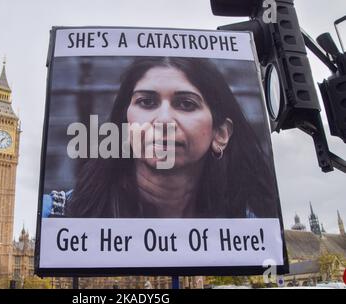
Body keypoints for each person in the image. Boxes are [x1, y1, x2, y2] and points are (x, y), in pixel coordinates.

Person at [43, 57, 279, 219]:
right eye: (146, 102)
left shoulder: (251, 229)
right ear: (125, 125)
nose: (163, 120)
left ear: (221, 134)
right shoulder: (54, 214)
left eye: (186, 104)